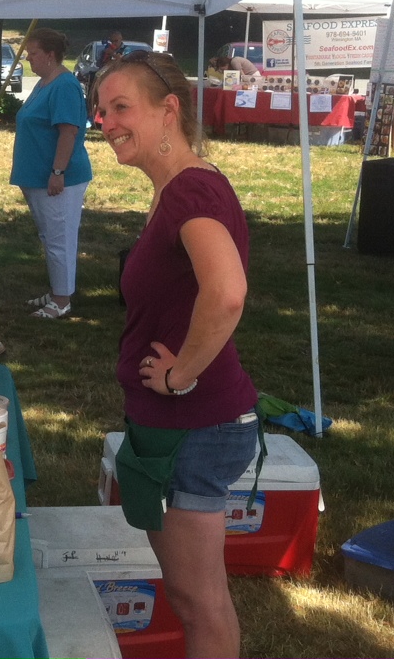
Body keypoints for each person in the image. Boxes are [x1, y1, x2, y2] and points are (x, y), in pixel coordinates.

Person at [92, 50, 259, 659]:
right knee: (194, 598)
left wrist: (180, 375)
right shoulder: (179, 188)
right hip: (179, 426)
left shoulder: (190, 191)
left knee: (200, 603)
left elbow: (228, 292)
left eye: (121, 107)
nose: (106, 122)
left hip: (195, 427)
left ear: (168, 110)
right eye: (101, 111)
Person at [10, 29, 92, 320]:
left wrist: (58, 171)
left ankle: (62, 299)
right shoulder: (45, 83)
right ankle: (59, 289)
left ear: (50, 55)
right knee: (50, 237)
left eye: (32, 53)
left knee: (60, 238)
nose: (28, 58)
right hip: (37, 177)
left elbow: (68, 131)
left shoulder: (64, 85)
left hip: (59, 178)